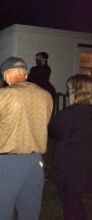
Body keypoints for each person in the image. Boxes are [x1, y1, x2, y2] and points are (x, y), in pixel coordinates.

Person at [0, 56, 53, 220]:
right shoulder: (46, 95)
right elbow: (41, 124)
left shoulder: (2, 95)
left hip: (8, 163)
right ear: (25, 74)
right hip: (36, 161)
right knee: (30, 211)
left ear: (5, 75)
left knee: (0, 208)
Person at [49, 74, 92, 220]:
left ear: (75, 91)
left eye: (69, 89)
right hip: (88, 167)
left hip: (69, 168)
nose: (67, 92)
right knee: (76, 203)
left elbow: (53, 132)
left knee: (71, 205)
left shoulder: (68, 114)